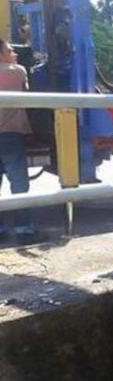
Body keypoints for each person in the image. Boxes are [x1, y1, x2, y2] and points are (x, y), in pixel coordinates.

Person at [0, 38, 43, 244]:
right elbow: (25, 86)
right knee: (19, 183)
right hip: (9, 135)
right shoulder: (16, 71)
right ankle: (24, 229)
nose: (14, 53)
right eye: (10, 50)